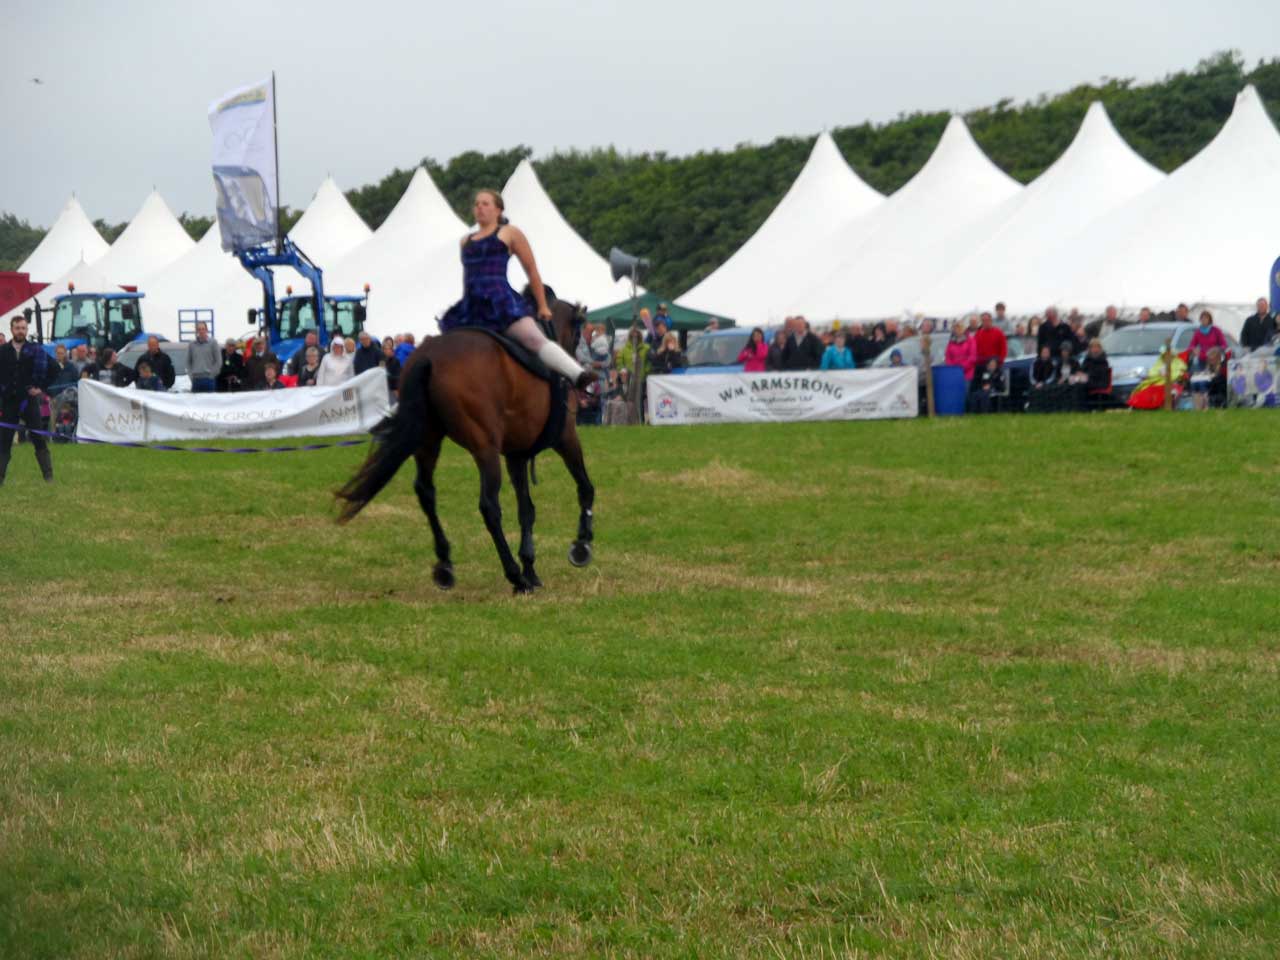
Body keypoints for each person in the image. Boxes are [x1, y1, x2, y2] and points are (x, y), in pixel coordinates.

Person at [440, 189, 594, 389]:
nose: (479, 207)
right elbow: (467, 278)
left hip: (500, 302)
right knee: (445, 350)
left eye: (485, 203)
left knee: (532, 338)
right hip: (471, 306)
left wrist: (542, 306)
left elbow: (532, 271)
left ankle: (577, 374)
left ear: (498, 209)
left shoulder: (509, 233)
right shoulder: (465, 241)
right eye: (476, 204)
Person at [0, 315, 54, 484]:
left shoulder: (36, 349)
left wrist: (40, 388)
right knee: (4, 440)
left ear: (26, 330)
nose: (20, 331)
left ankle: (48, 476)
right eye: (17, 328)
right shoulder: (2, 351)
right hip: (8, 401)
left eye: (23, 328)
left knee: (38, 438)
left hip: (29, 401)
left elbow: (53, 369)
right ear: (11, 329)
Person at [186, 321, 222, 393]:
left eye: (203, 329)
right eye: (199, 329)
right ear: (196, 331)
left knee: (210, 404)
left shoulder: (213, 343)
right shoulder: (191, 345)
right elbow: (188, 362)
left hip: (209, 380)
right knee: (196, 404)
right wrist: (191, 377)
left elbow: (218, 361)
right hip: (196, 380)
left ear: (206, 330)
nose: (201, 331)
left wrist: (211, 376)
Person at [1081, 338, 1111, 406]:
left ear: (1100, 348)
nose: (1094, 349)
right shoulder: (1087, 359)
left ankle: (1084, 406)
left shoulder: (1103, 361)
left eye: (1096, 347)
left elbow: (1100, 374)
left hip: (1100, 382)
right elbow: (1083, 370)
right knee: (1077, 385)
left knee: (1083, 385)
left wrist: (1087, 375)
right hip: (1090, 380)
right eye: (1093, 347)